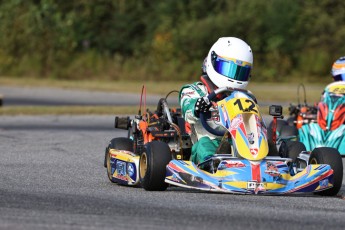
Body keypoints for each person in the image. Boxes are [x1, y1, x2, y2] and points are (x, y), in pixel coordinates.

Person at [179, 37, 253, 164]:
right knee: (204, 145)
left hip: (239, 144)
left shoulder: (245, 97)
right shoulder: (195, 91)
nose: (233, 77)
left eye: (240, 72)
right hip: (206, 144)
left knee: (266, 144)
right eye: (228, 68)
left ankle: (269, 162)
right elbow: (188, 109)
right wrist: (198, 106)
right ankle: (212, 164)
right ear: (212, 62)